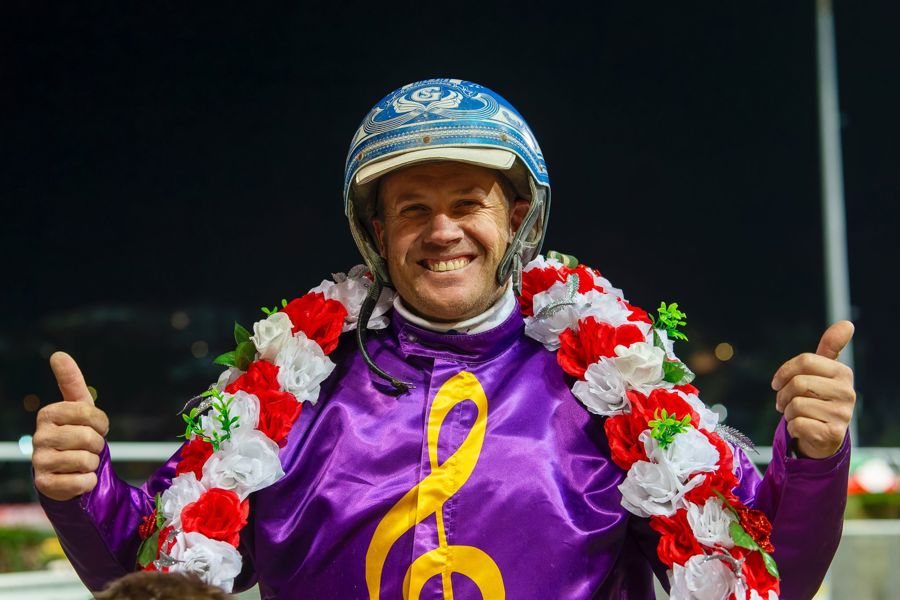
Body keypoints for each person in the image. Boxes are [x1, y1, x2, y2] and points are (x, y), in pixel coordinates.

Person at [33, 79, 856, 599]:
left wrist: (814, 458)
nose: (442, 231)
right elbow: (159, 581)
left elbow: (764, 577)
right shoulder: (283, 396)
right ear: (376, 233)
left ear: (517, 219)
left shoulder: (617, 387)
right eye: (413, 210)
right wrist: (82, 491)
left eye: (468, 203)